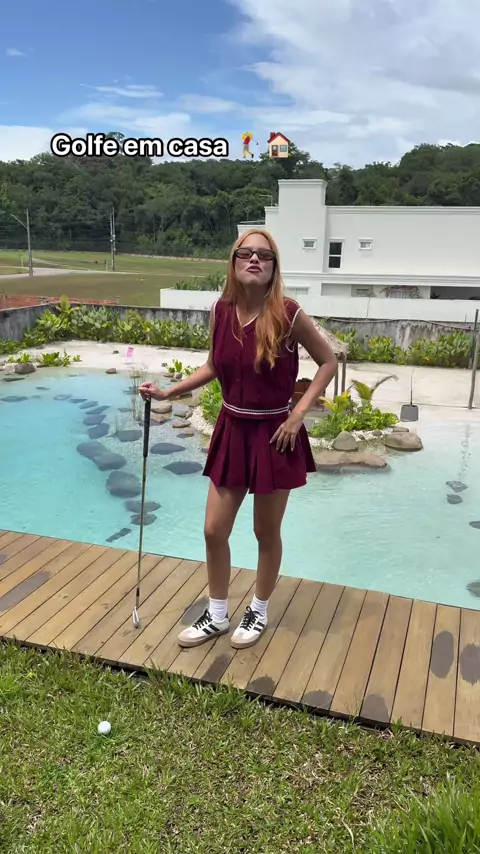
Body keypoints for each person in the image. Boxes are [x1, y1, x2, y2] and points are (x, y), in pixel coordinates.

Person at [139, 229, 338, 650]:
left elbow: (328, 362)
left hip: (275, 435)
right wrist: (168, 392)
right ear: (233, 262)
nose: (254, 260)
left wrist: (298, 415)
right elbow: (213, 366)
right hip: (233, 429)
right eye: (245, 253)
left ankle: (258, 610)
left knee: (265, 531)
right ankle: (216, 615)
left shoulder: (289, 314)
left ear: (273, 267)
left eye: (264, 255)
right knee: (214, 530)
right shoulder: (221, 310)